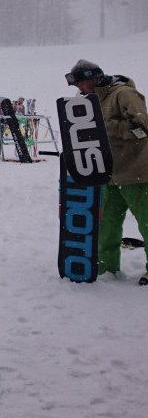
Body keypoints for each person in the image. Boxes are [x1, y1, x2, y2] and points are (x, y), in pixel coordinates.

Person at [66, 59, 148, 285]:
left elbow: (142, 127)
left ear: (93, 78)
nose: (79, 89)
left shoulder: (124, 94)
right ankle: (106, 268)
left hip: (137, 172)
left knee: (146, 222)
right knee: (106, 224)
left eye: (81, 84)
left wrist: (104, 127)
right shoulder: (91, 101)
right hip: (109, 174)